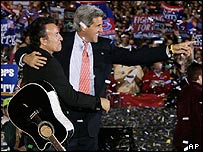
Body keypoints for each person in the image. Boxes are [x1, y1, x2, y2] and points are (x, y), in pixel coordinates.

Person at [14, 5, 194, 151]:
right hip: (62, 118)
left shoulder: (104, 47)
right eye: (98, 26)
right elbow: (30, 46)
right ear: (84, 26)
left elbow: (135, 56)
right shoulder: (61, 43)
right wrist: (24, 57)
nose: (102, 30)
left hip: (90, 120)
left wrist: (170, 50)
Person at [15, 16, 110, 151]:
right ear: (43, 40)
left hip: (38, 130)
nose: (61, 38)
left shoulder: (35, 57)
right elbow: (70, 97)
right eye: (56, 34)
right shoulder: (46, 62)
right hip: (47, 132)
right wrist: (98, 102)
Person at [173, 62, 202, 151]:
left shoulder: (183, 91)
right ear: (200, 77)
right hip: (195, 139)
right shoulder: (199, 93)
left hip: (182, 139)